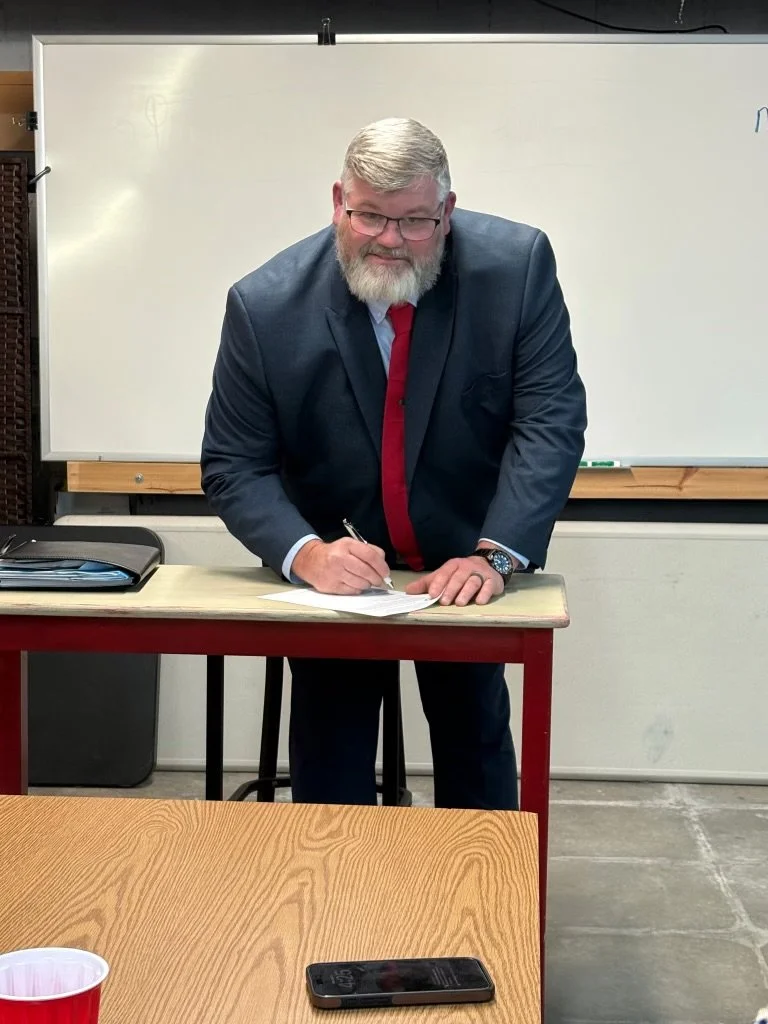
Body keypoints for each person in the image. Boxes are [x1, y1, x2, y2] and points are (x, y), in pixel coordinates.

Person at [201, 117, 586, 810]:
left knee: (475, 738)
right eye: (370, 216)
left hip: (464, 555)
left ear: (448, 211)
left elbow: (549, 421)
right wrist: (306, 554)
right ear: (337, 202)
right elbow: (234, 463)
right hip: (338, 567)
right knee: (331, 750)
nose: (389, 239)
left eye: (414, 222)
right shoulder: (265, 307)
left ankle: (477, 905)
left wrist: (495, 555)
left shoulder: (517, 269)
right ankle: (341, 910)